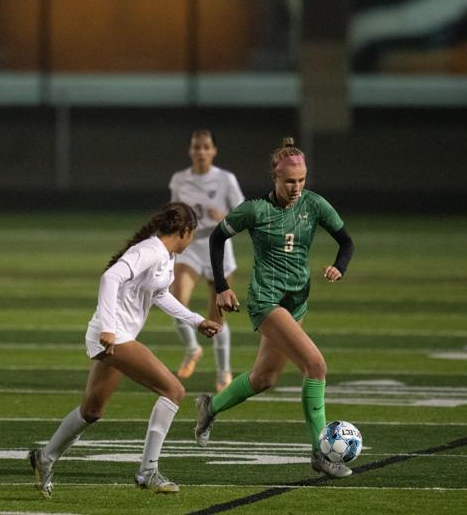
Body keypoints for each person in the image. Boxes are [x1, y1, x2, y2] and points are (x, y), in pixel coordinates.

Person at [28, 202, 221, 498]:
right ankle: (147, 471)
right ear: (184, 231)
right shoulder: (151, 250)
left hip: (115, 336)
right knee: (174, 391)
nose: (192, 241)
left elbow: (160, 295)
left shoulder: (165, 256)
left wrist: (196, 321)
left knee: (92, 411)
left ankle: (45, 458)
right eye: (192, 235)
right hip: (113, 336)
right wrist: (107, 326)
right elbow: (110, 278)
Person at [192, 137, 356, 478]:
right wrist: (221, 287)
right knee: (316, 366)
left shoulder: (314, 205)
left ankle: (210, 406)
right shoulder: (256, 210)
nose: (296, 187)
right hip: (266, 301)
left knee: (263, 378)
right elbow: (217, 237)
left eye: (301, 180)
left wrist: (340, 266)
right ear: (275, 178)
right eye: (289, 181)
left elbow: (346, 241)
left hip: (296, 303)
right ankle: (321, 454)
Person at [167, 129, 245, 392]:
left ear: (214, 151)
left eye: (205, 147)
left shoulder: (226, 179)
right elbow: (173, 212)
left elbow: (244, 213)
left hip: (219, 249)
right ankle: (192, 348)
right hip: (190, 247)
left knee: (218, 315)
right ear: (190, 151)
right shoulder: (179, 179)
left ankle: (223, 372)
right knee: (176, 302)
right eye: (196, 147)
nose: (200, 151)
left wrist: (225, 214)